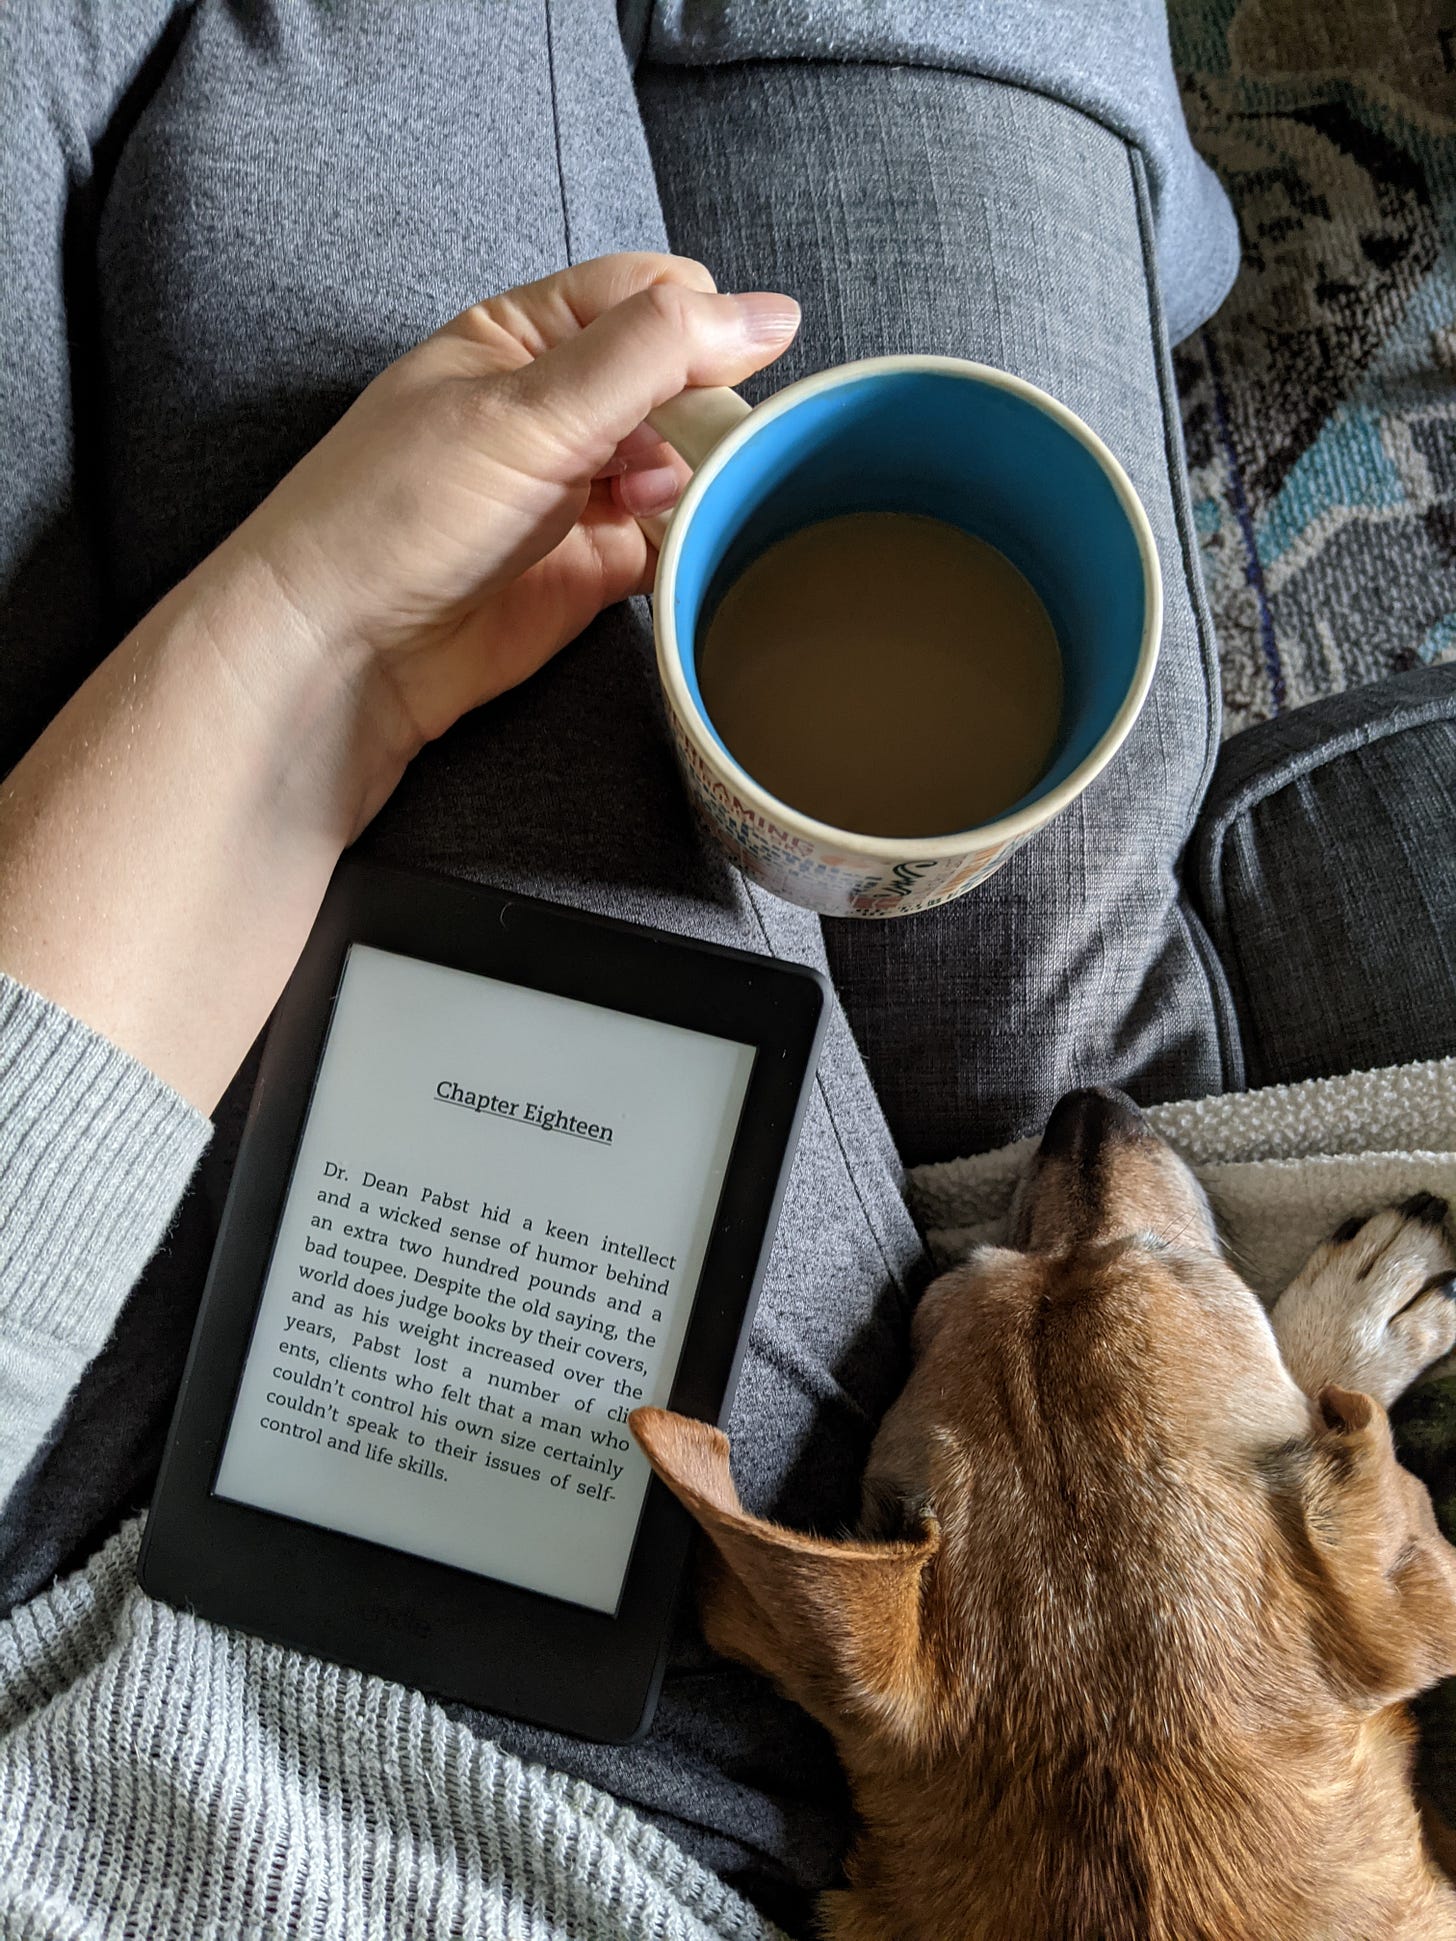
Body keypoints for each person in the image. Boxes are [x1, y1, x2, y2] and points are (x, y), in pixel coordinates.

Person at [0, 8, 1238, 1936]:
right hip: (655, 1744)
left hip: (355, 1624)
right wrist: (326, 650)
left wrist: (320, 636)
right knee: (1057, 928)